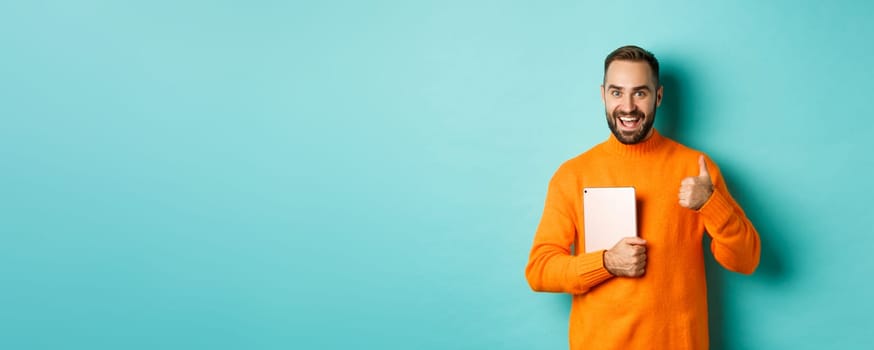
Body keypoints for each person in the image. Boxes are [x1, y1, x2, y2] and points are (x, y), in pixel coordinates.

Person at [524, 45, 761, 350]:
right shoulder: (573, 174)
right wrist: (607, 262)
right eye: (617, 92)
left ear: (658, 97)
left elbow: (746, 261)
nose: (627, 107)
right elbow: (540, 270)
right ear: (603, 95)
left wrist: (711, 203)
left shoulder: (696, 169)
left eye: (640, 93)